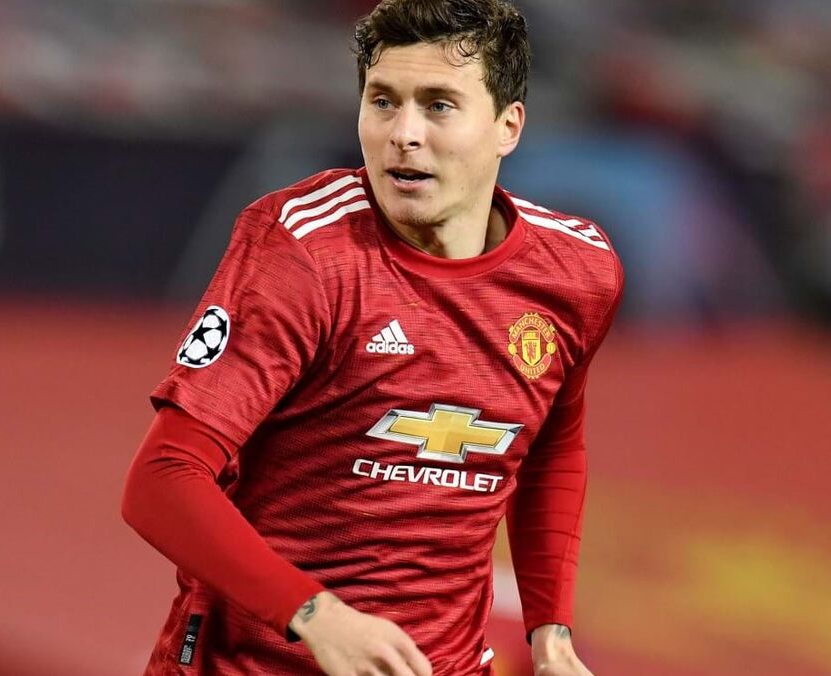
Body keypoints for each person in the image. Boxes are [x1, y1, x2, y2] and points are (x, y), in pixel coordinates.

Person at [122, 0, 624, 674]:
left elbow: (551, 448)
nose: (403, 134)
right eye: (383, 101)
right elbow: (161, 480)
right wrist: (316, 616)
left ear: (508, 126)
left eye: (438, 105)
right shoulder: (301, 252)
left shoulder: (577, 271)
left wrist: (550, 633)